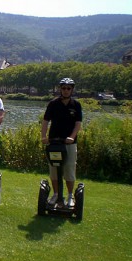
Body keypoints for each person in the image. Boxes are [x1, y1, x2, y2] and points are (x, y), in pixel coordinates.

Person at [41, 77, 82, 207]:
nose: (65, 90)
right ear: (60, 89)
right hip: (54, 142)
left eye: (68, 88)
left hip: (69, 143)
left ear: (72, 90)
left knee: (69, 167)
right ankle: (56, 194)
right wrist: (43, 136)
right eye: (63, 88)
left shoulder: (76, 105)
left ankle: (70, 196)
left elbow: (78, 123)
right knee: (54, 168)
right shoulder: (53, 104)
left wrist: (72, 137)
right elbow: (46, 121)